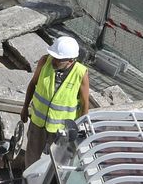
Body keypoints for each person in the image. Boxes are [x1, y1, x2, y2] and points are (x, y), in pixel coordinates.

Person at [18, 36, 90, 167]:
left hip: (60, 129)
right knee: (32, 156)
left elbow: (85, 104)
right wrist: (25, 107)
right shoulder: (45, 61)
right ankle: (28, 179)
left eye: (58, 59)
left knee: (57, 162)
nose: (54, 61)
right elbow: (33, 84)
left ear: (71, 60)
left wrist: (80, 127)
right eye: (54, 56)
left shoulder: (80, 73)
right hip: (38, 123)